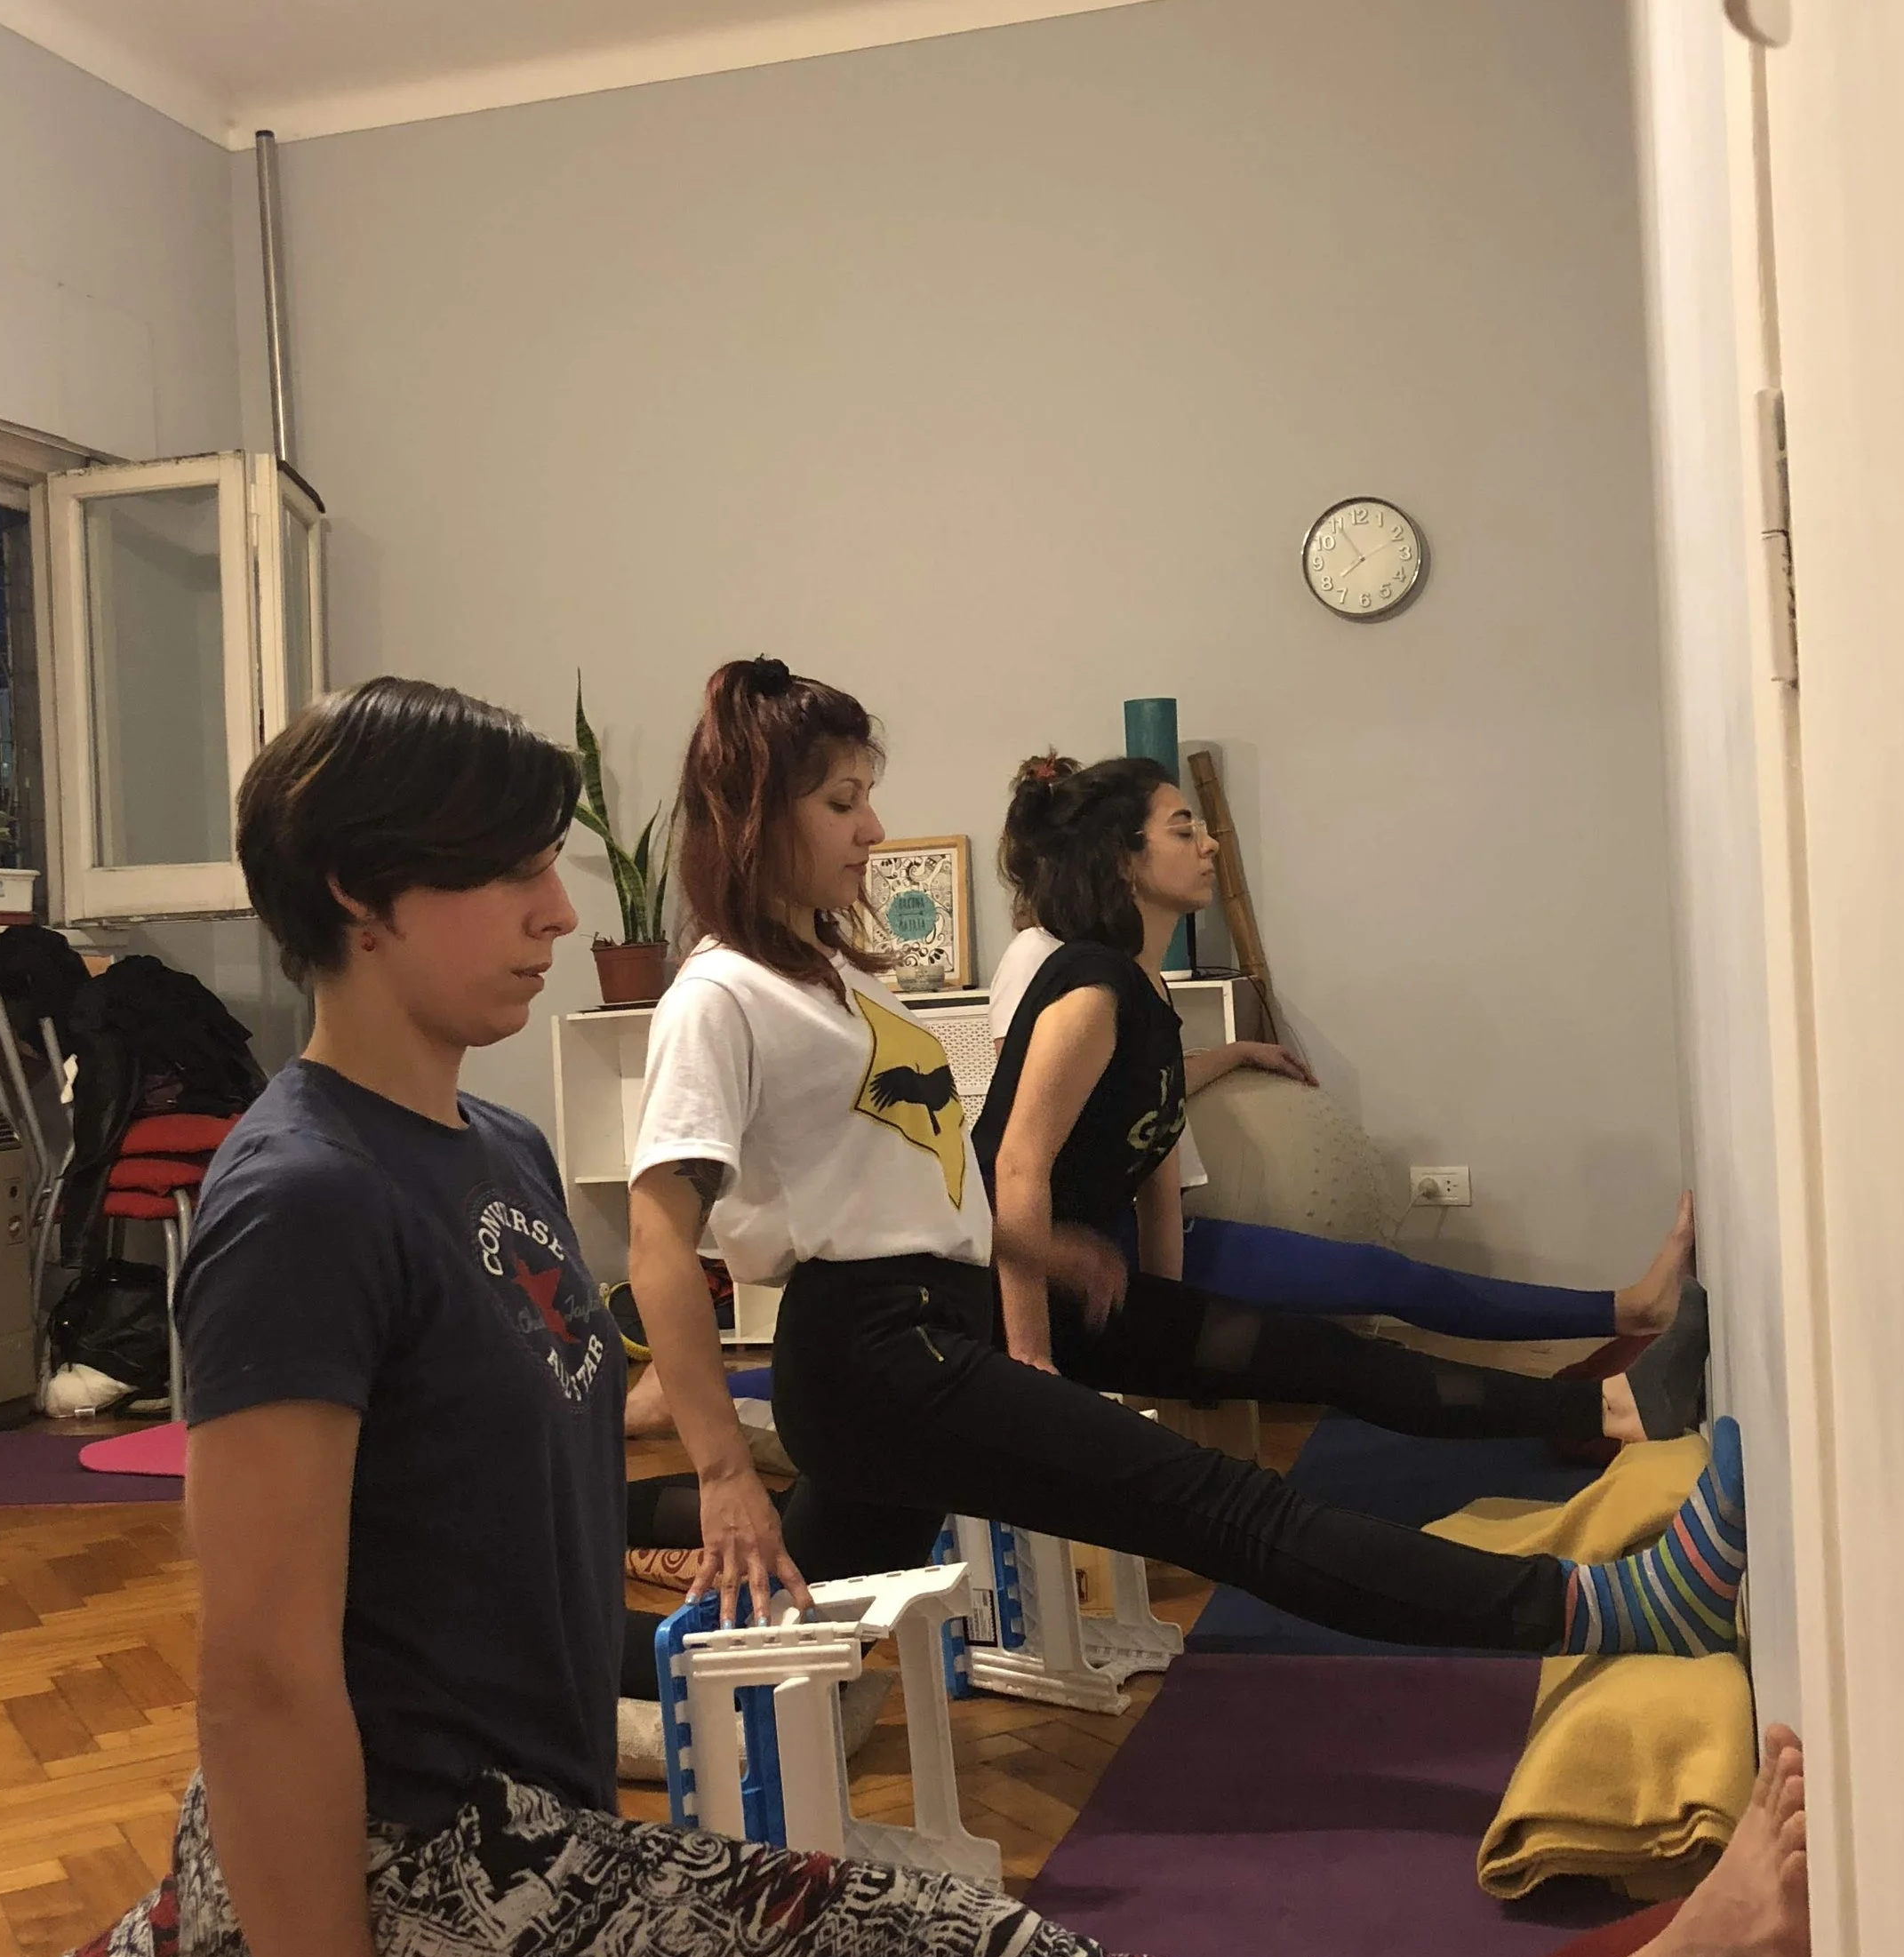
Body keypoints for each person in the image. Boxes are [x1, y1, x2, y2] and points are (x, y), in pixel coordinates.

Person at [0, 675, 1812, 1957]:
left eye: (553, 859)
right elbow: (262, 1683)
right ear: (362, 899)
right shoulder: (294, 1202)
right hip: (421, 1896)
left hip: (447, 1844)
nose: (556, 910)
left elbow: (523, 1408)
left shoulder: (494, 1148)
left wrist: (743, 1440)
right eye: (505, 875)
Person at [628, 659, 1739, 1659]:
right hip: (879, 1351)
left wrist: (1040, 1248)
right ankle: (1595, 1612)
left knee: (782, 1636)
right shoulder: (720, 995)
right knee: (1217, 1505)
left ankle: (582, 1580)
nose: (873, 828)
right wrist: (726, 1473)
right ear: (754, 820)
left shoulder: (833, 975)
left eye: (865, 794)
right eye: (841, 802)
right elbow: (659, 1246)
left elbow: (919, 1173)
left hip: (926, 1320)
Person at [972, 752, 1709, 1450]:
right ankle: (1613, 1402)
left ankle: (1618, 1386)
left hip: (1116, 1277)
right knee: (1337, 1357)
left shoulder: (1147, 989)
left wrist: (1170, 1316)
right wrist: (1029, 1360)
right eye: (1182, 829)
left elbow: (1154, 1153)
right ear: (1124, 858)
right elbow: (1014, 1170)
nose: (1210, 846)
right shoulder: (1088, 990)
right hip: (1036, 1289)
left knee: (1346, 1338)